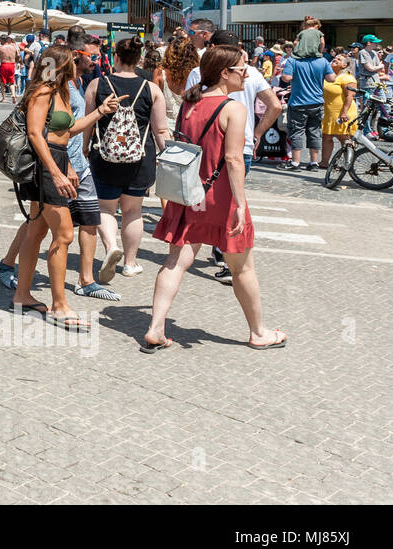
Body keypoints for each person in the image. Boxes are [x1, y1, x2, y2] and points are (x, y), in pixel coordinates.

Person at [144, 46, 286, 352]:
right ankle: (259, 332)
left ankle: (155, 327)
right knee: (242, 268)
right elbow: (234, 160)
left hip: (190, 192)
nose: (246, 73)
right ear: (225, 72)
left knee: (175, 261)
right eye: (241, 69)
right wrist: (241, 204)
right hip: (220, 196)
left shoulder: (189, 103)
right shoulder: (233, 108)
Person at [11, 46, 125, 331]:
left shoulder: (61, 91)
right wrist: (55, 172)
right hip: (45, 163)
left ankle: (22, 296)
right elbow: (36, 134)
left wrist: (100, 111)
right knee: (63, 234)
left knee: (37, 231)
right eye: (73, 60)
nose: (78, 63)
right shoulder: (43, 91)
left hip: (56, 159)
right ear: (63, 64)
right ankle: (59, 305)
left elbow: (67, 132)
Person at [86, 36, 169, 279]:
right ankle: (130, 263)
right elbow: (160, 130)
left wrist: (83, 149)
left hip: (104, 156)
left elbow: (89, 124)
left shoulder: (97, 85)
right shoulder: (151, 89)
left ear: (116, 58)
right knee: (133, 211)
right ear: (139, 59)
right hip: (140, 159)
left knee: (105, 208)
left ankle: (111, 247)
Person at [279, 47, 333, 170]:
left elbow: (286, 78)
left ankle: (295, 163)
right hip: (317, 102)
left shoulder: (293, 61)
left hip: (298, 102)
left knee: (297, 131)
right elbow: (331, 78)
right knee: (314, 131)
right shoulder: (322, 60)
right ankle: (313, 162)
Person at [320, 53, 358, 170]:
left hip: (343, 111)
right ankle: (324, 162)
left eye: (339, 59)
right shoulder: (328, 76)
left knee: (344, 138)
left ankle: (348, 163)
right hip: (330, 112)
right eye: (335, 58)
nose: (335, 59)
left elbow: (350, 96)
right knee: (326, 137)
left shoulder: (347, 77)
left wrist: (344, 112)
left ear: (344, 65)